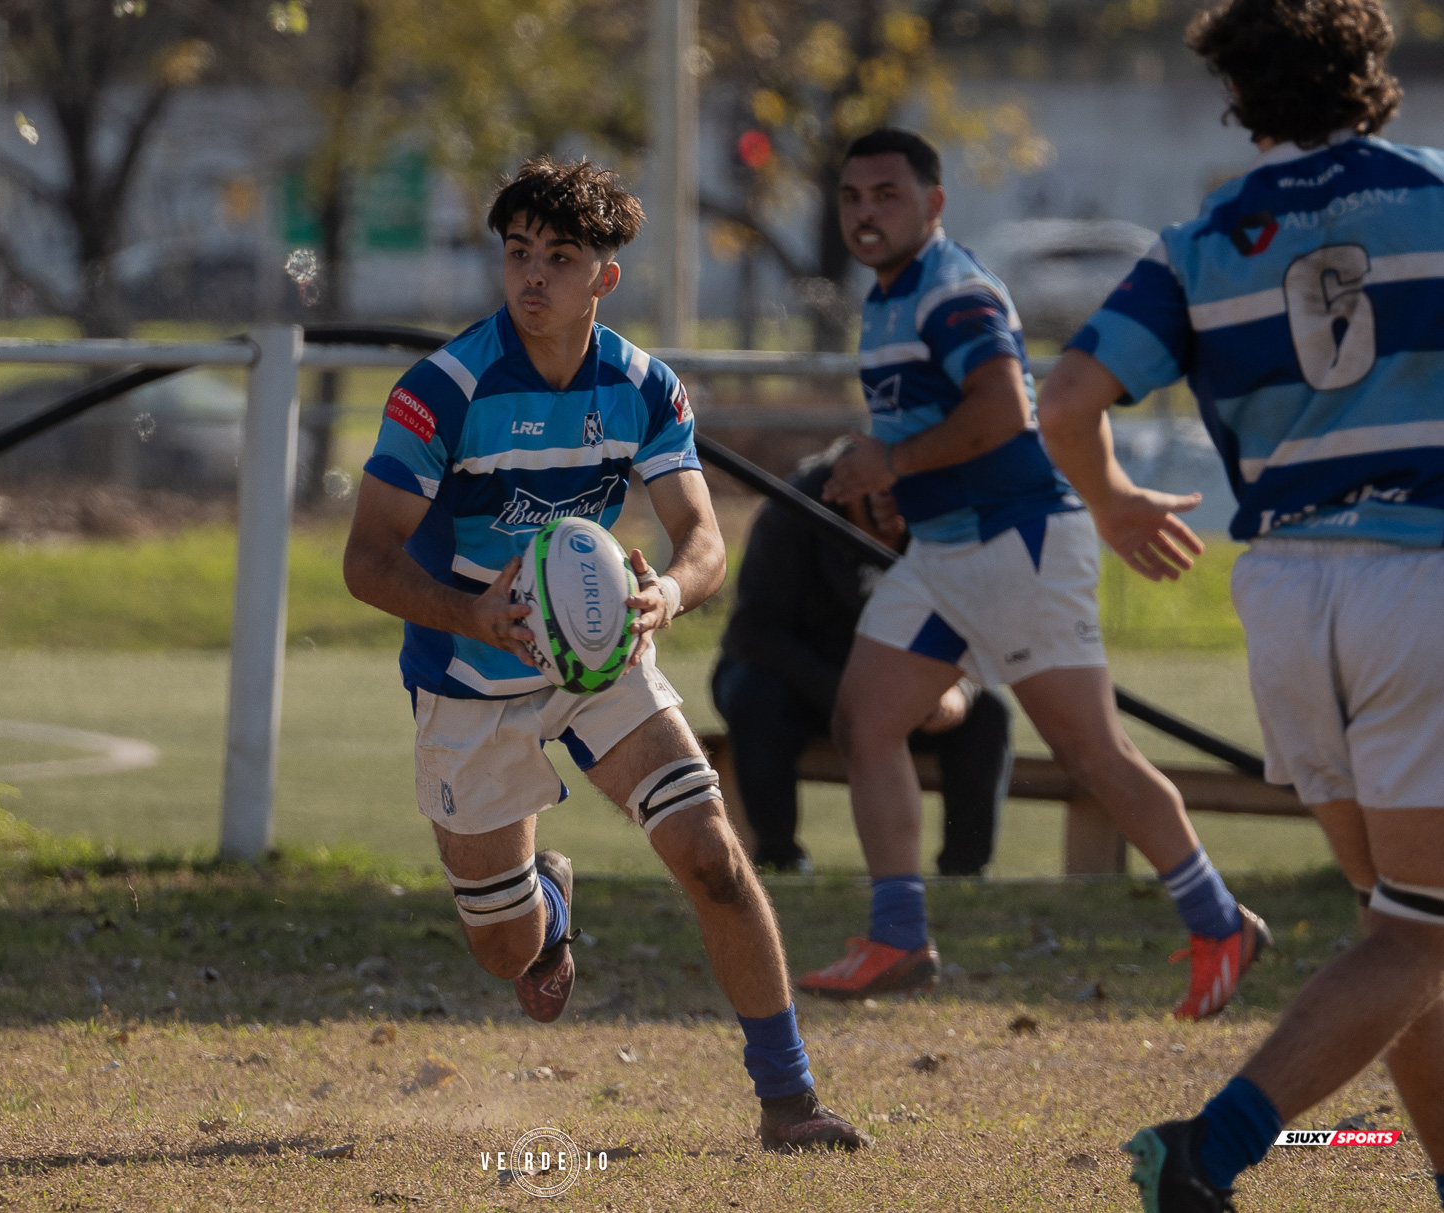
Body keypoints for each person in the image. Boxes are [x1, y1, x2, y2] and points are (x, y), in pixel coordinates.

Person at [344, 156, 864, 1153]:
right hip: (468, 675)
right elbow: (367, 561)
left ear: (604, 277)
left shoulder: (642, 387)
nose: (532, 277)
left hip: (601, 652)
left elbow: (705, 538)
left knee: (711, 853)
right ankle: (547, 896)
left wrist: (663, 594)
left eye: (560, 257)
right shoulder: (441, 390)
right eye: (517, 254)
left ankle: (789, 1098)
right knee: (508, 955)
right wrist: (476, 614)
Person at [1037, 0, 1444, 1205]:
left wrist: (1112, 508)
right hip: (1419, 582)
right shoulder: (1433, 194)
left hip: (1284, 593)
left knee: (1400, 927)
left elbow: (1063, 400)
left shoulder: (1206, 240)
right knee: (1419, 934)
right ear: (1369, 72)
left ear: (1240, 94)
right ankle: (1209, 1149)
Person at [797, 128, 1269, 1018]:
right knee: (866, 717)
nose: (866, 213)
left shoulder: (953, 289)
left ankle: (1220, 920)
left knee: (1093, 752)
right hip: (946, 551)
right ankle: (898, 935)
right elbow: (931, 431)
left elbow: (1006, 412)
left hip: (1020, 543)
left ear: (934, 204)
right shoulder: (884, 299)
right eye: (853, 197)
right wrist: (900, 482)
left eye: (887, 195)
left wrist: (892, 465)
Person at [712, 442, 1013, 876]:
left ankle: (963, 875)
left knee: (987, 715)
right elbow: (754, 633)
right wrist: (850, 695)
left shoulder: (946, 524)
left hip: (902, 694)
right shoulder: (792, 512)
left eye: (910, 505)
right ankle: (779, 858)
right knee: (753, 694)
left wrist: (958, 690)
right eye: (882, 500)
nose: (895, 524)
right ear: (846, 485)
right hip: (804, 686)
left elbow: (979, 630)